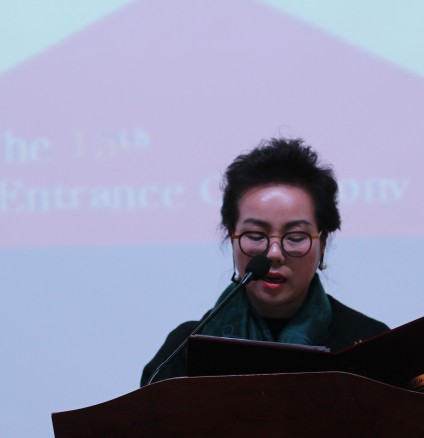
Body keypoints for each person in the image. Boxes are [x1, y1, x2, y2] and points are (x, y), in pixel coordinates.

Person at [140, 138, 390, 386]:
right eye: (256, 236)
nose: (273, 253)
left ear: (322, 242)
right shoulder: (186, 348)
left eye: (295, 237)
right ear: (232, 237)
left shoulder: (368, 343)